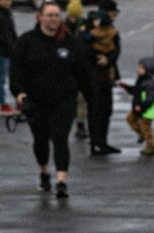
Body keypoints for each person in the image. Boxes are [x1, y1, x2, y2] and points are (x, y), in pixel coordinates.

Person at [10, 1, 94, 199]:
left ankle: (62, 181)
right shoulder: (26, 42)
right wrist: (19, 92)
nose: (54, 19)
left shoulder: (70, 43)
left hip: (63, 101)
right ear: (39, 17)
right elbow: (16, 71)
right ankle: (44, 172)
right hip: (36, 101)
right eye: (50, 15)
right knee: (40, 141)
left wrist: (92, 98)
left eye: (57, 15)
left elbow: (83, 73)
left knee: (60, 139)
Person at [82, 0, 120, 155]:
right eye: (113, 13)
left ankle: (103, 142)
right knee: (95, 109)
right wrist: (99, 58)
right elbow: (82, 47)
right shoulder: (90, 27)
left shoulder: (111, 29)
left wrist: (109, 59)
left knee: (106, 109)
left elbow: (117, 48)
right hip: (92, 75)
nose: (115, 17)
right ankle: (95, 142)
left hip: (107, 75)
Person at [120, 57, 154, 156]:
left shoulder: (150, 83)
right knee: (130, 119)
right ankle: (142, 135)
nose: (138, 69)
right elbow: (135, 91)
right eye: (138, 67)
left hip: (146, 110)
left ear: (148, 71)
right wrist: (125, 86)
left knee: (146, 127)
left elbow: (150, 99)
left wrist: (141, 106)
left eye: (141, 68)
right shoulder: (141, 80)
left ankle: (150, 146)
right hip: (138, 107)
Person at [64, 0, 89, 138]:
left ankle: (79, 124)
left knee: (78, 99)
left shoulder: (61, 25)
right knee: (79, 99)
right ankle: (80, 125)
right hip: (74, 67)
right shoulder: (84, 24)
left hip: (71, 67)